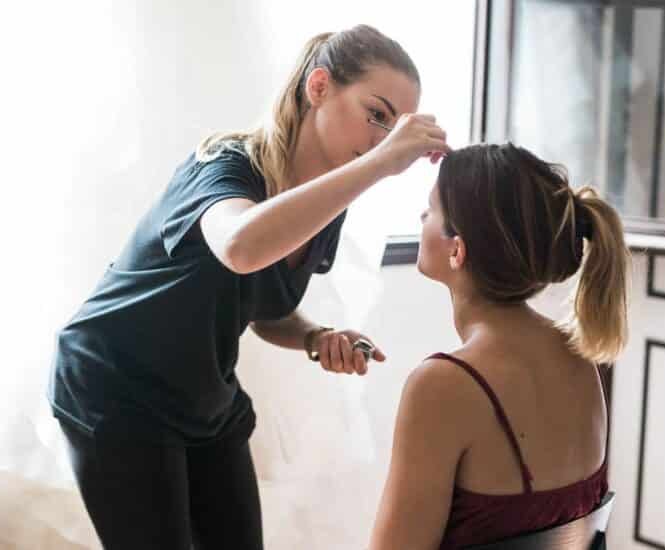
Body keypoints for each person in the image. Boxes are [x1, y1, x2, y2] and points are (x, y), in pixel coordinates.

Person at [48, 24, 451, 550]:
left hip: (204, 398)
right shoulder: (222, 165)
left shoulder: (326, 203)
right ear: (320, 86)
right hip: (114, 386)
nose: (383, 139)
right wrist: (380, 165)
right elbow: (240, 247)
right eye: (376, 115)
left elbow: (263, 309)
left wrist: (316, 336)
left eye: (395, 128)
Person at [369, 143, 629, 549]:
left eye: (431, 208)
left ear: (458, 248)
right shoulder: (580, 353)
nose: (422, 217)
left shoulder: (441, 385)